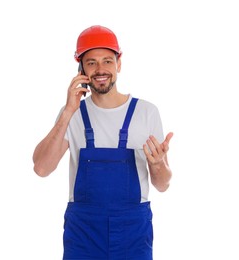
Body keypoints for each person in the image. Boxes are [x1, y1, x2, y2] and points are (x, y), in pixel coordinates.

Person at [33, 25, 173, 260]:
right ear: (81, 69)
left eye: (107, 61)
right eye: (91, 62)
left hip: (133, 233)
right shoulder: (72, 113)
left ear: (119, 64)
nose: (100, 69)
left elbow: (163, 185)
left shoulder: (146, 112)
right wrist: (68, 111)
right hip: (84, 233)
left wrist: (158, 164)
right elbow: (41, 168)